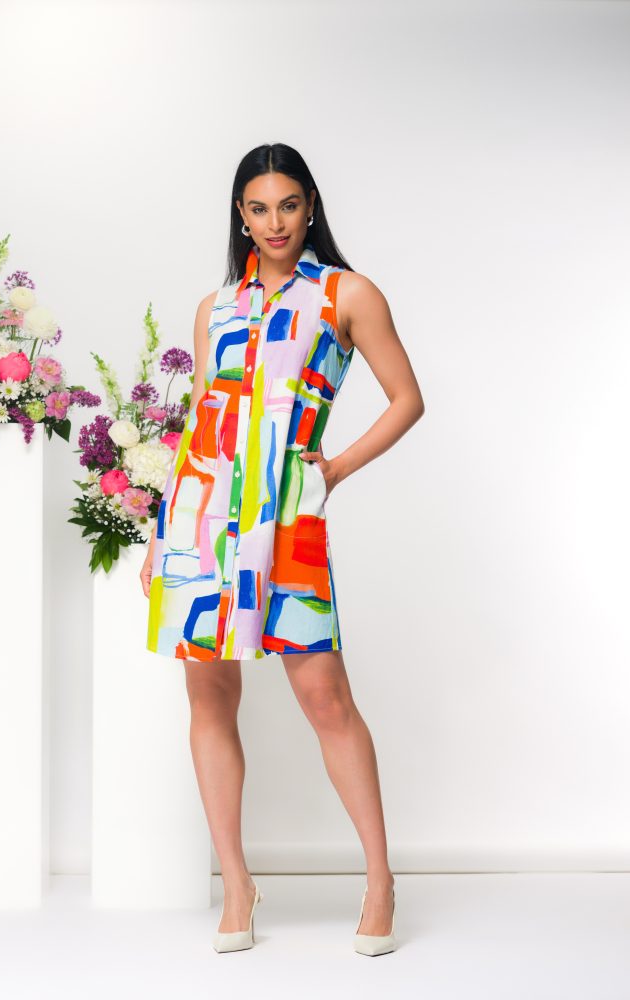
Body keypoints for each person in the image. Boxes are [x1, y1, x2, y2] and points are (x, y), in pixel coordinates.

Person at [140, 143, 425, 954]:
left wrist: (333, 468)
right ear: (241, 215)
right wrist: (162, 533)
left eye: (289, 206)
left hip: (288, 518)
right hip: (201, 520)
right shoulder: (216, 307)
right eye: (260, 208)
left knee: (325, 697)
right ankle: (237, 883)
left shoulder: (346, 294)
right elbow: (202, 420)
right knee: (208, 698)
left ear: (310, 208)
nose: (276, 223)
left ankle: (380, 880)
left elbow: (407, 399)